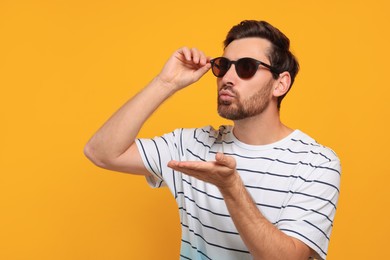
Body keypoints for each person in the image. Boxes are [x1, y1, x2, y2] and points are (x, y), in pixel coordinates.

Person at [84, 20, 341, 260]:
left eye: (246, 67)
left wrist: (231, 188)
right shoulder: (194, 145)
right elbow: (101, 152)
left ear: (280, 84)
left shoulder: (316, 163)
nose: (227, 78)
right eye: (223, 66)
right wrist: (166, 83)